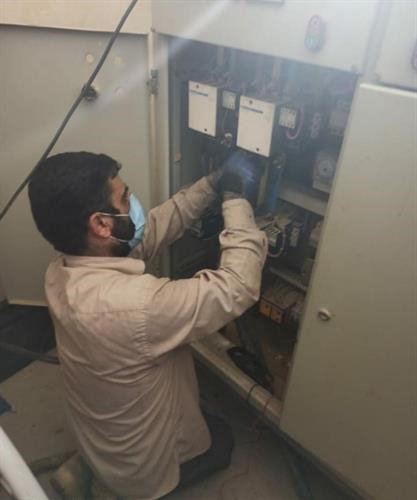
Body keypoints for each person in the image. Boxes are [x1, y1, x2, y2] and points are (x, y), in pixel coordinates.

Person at [28, 151, 267, 499]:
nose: (134, 203)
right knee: (220, 439)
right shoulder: (136, 305)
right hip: (142, 471)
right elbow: (237, 286)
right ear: (101, 224)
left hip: (104, 439)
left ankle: (93, 470)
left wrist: (212, 183)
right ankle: (119, 486)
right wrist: (236, 199)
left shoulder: (60, 272)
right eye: (125, 198)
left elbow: (150, 231)